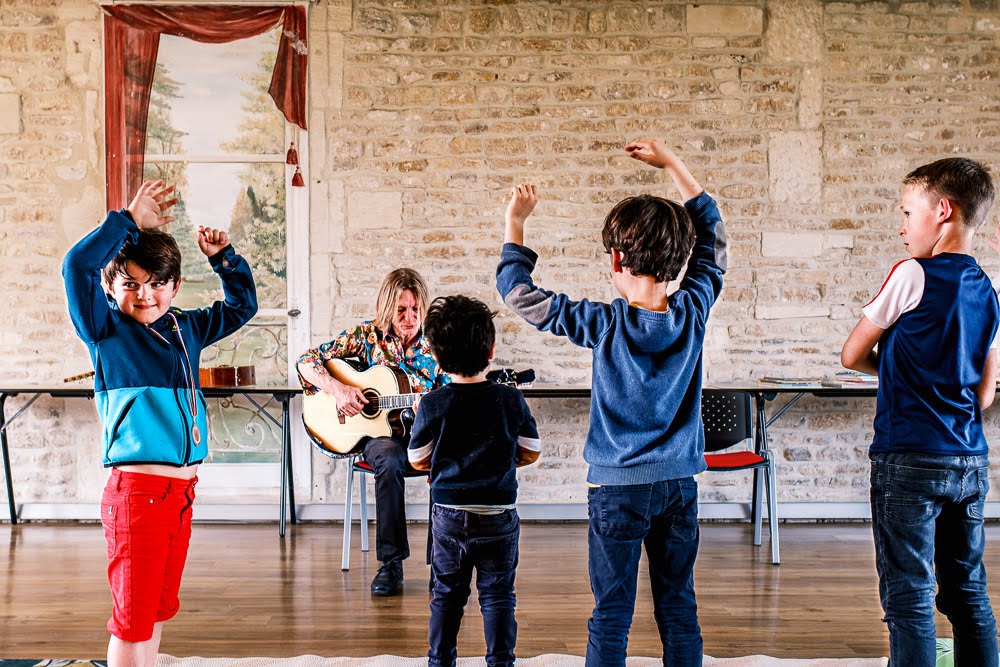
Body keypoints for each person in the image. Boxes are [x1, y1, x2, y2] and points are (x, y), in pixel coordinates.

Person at [496, 138, 726, 667]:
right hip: (679, 485)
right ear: (677, 261)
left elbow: (518, 293)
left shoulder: (603, 323)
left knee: (612, 612)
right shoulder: (694, 310)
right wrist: (674, 164)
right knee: (679, 606)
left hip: (618, 490)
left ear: (618, 259)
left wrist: (516, 224)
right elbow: (714, 239)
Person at [62, 179, 258, 667]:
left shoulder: (186, 327)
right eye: (130, 284)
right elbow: (76, 265)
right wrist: (127, 220)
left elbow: (242, 306)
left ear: (174, 285)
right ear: (110, 288)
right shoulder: (105, 330)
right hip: (137, 497)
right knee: (133, 620)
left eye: (155, 283)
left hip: (181, 495)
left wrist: (224, 259)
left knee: (155, 611)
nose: (144, 295)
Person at [841, 157, 1000, 667]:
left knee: (909, 596)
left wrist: (895, 370)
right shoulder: (988, 289)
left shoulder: (911, 273)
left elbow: (851, 355)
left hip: (909, 460)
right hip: (970, 461)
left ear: (943, 211)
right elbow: (983, 396)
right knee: (967, 591)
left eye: (908, 213)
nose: (902, 226)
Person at [407, 295, 540, 667]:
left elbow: (417, 460)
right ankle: (501, 661)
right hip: (498, 515)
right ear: (491, 350)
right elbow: (532, 450)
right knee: (498, 596)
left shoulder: (432, 403)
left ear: (436, 357)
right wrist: (503, 458)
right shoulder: (510, 400)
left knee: (447, 595)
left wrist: (423, 424)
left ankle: (439, 661)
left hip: (449, 516)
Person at [296, 268, 445, 596]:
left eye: (416, 309)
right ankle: (391, 564)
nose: (409, 318)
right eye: (401, 309)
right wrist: (339, 390)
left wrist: (432, 407)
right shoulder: (366, 336)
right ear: (387, 307)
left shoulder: (438, 344)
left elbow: (451, 396)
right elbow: (306, 361)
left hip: (424, 433)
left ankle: (443, 565)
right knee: (389, 459)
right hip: (379, 436)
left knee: (447, 458)